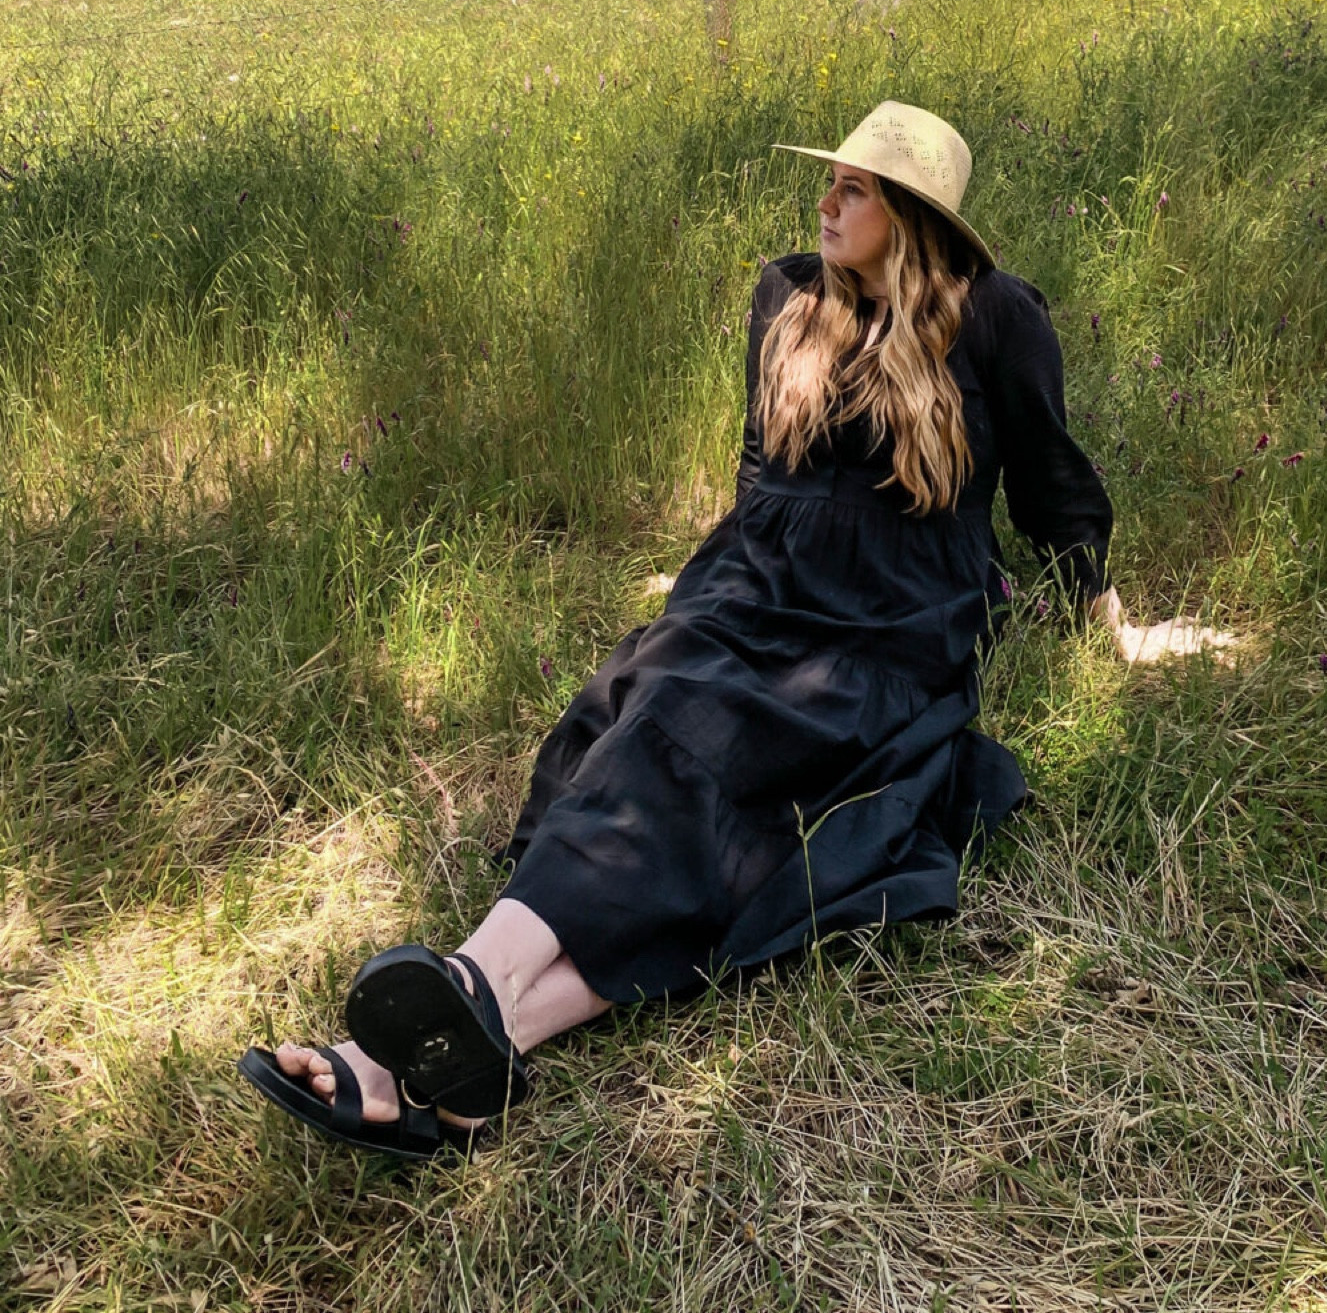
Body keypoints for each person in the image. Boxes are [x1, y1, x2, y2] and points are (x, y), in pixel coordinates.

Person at [239, 100, 1154, 1159]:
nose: (825, 201)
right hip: (755, 581)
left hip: (892, 618)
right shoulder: (788, 293)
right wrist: (712, 577)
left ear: (907, 214)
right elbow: (760, 468)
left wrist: (1108, 621)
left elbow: (1050, 483)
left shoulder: (995, 315)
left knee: (725, 772)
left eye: (853, 188)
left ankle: (448, 1006)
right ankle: (466, 1047)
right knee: (657, 722)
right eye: (831, 180)